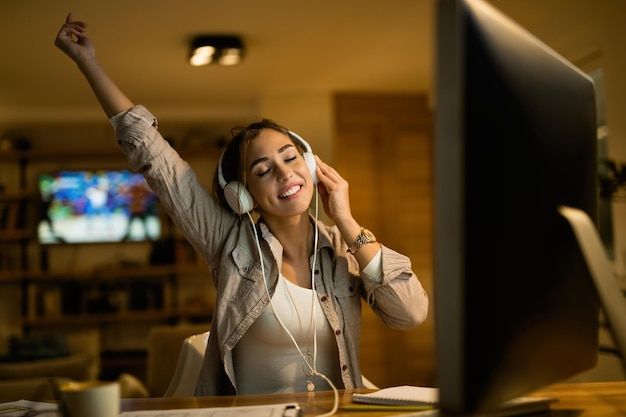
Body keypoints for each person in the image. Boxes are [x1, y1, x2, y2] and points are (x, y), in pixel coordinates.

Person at [54, 13, 429, 396]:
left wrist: (348, 222)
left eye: (291, 157)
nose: (285, 174)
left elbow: (409, 314)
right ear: (242, 194)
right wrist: (88, 62)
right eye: (264, 170)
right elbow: (154, 156)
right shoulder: (230, 243)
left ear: (312, 166)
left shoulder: (342, 250)